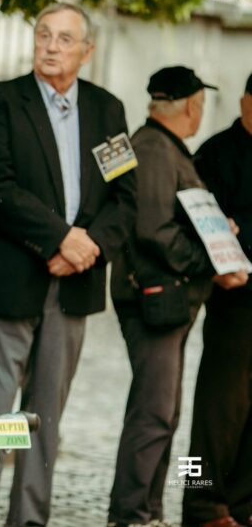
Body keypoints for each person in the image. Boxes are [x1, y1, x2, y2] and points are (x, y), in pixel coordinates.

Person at [0, 3, 137, 527]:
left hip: (74, 286)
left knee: (46, 422)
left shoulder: (107, 110)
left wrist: (89, 247)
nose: (51, 46)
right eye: (43, 35)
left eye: (65, 38)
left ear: (87, 51)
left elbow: (126, 197)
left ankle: (29, 521)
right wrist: (60, 239)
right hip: (10, 282)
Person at [106, 66, 246, 527]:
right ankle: (133, 514)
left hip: (170, 300)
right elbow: (154, 230)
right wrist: (211, 260)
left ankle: (150, 511)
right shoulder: (155, 148)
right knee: (156, 413)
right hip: (157, 299)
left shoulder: (165, 147)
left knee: (165, 412)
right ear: (191, 107)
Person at [183, 72, 252, 527]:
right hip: (235, 300)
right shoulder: (216, 153)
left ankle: (242, 506)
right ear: (246, 103)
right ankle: (200, 505)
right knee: (217, 408)